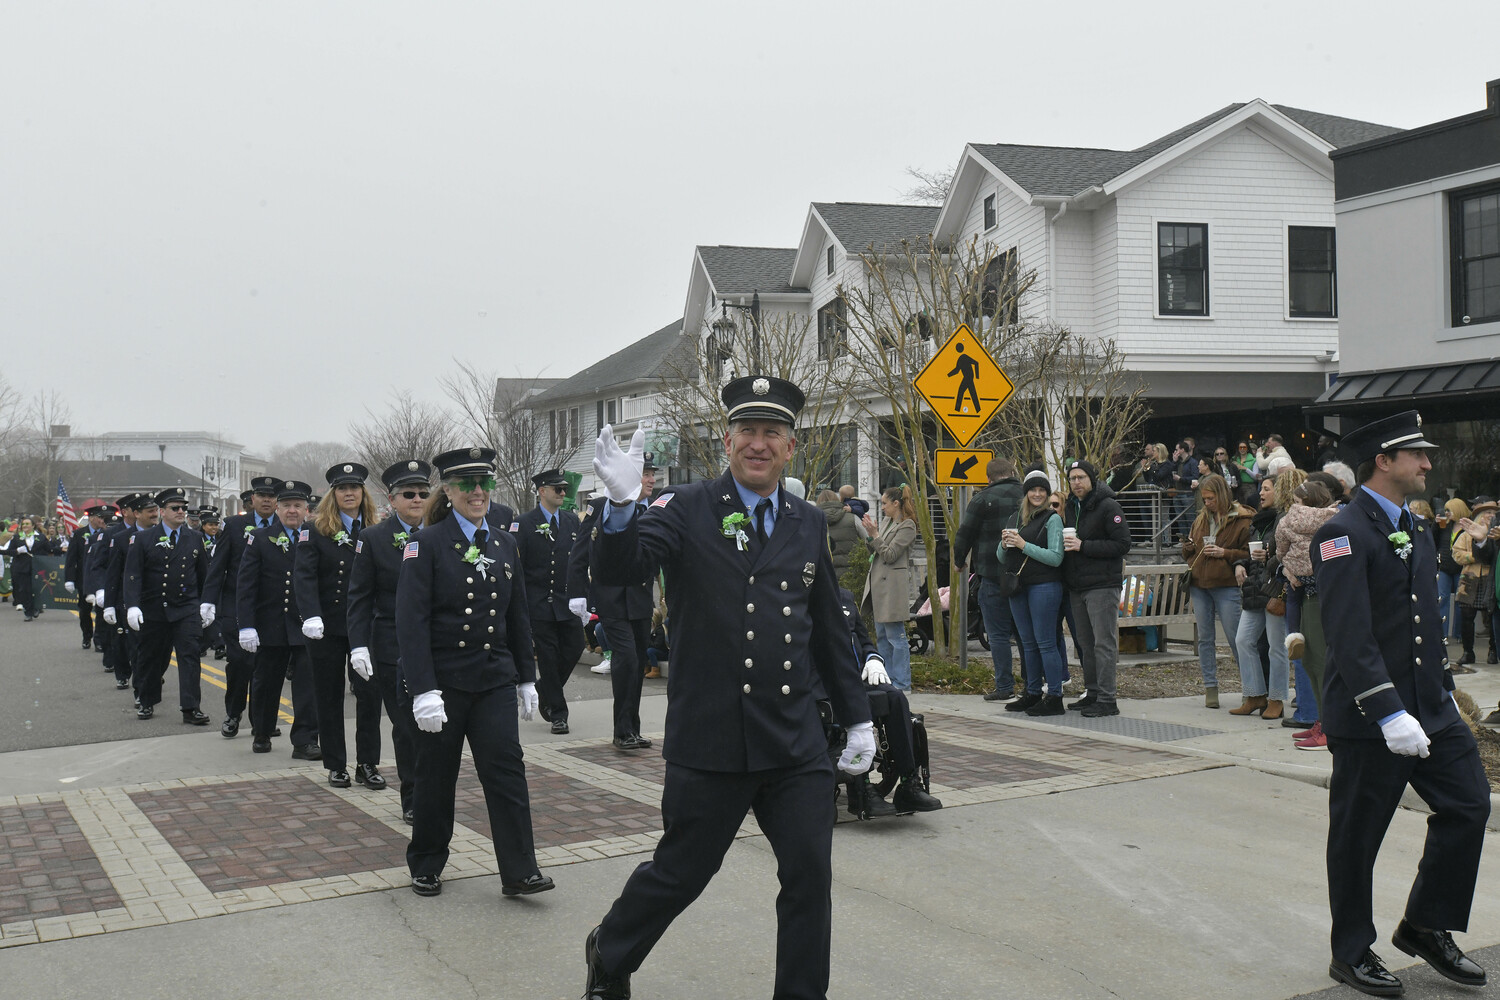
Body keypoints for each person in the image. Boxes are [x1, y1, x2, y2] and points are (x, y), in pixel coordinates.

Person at [582, 376, 874, 1000]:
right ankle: (611, 949)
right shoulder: (686, 507)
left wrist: (859, 717)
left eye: (772, 433)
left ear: (791, 446)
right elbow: (622, 572)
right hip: (711, 738)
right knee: (683, 872)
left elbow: (826, 624)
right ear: (727, 440)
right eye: (748, 431)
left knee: (808, 876)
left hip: (793, 741)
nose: (759, 444)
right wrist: (620, 509)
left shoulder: (806, 521)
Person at [1311, 410, 1489, 996]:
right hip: (1372, 715)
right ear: (1384, 461)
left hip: (1430, 706)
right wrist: (1387, 711)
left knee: (1469, 805)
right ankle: (1352, 952)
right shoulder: (1341, 532)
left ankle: (1424, 925)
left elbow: (1421, 623)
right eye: (1417, 455)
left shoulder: (1411, 525)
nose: (1428, 464)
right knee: (1358, 836)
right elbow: (1349, 633)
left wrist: (1440, 694)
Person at [396, 446, 553, 900]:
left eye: (484, 483)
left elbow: (516, 615)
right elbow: (411, 623)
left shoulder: (505, 542)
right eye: (467, 484)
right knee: (436, 778)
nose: (478, 492)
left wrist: (526, 676)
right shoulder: (424, 543)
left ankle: (520, 870)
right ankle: (426, 862)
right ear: (448, 490)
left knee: (507, 773)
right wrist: (423, 689)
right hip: (444, 685)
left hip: (493, 680)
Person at [347, 459, 431, 825]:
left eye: (424, 494)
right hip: (391, 647)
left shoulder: (442, 533)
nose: (418, 499)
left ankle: (432, 791)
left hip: (436, 645)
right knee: (408, 726)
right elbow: (359, 597)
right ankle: (413, 799)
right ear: (393, 500)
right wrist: (358, 645)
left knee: (435, 728)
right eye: (409, 494)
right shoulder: (373, 538)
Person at [296, 463, 386, 790]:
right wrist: (311, 615)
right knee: (329, 696)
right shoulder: (316, 529)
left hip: (366, 626)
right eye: (342, 488)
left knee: (370, 696)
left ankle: (368, 763)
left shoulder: (377, 529)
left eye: (355, 488)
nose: (349, 493)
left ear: (364, 493)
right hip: (328, 626)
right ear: (333, 494)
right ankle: (336, 765)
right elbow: (303, 577)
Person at [568, 457, 658, 751]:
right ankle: (622, 731)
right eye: (645, 474)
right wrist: (576, 592)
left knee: (638, 661)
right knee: (627, 658)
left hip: (641, 599)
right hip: (612, 597)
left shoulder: (654, 508)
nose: (651, 480)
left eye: (652, 474)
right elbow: (581, 550)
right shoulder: (602, 506)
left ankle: (633, 726)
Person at [835, 586, 942, 817]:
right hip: (828, 679)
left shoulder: (845, 597)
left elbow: (865, 641)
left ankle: (908, 783)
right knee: (860, 702)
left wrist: (873, 659)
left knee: (895, 698)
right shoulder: (802, 596)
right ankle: (861, 788)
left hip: (858, 676)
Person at [237, 480, 321, 759]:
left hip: (306, 625)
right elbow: (246, 585)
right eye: (286, 506)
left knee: (308, 686)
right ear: (277, 508)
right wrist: (246, 625)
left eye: (297, 505)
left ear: (307, 509)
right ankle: (262, 731)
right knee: (266, 683)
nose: (292, 511)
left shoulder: (317, 536)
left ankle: (305, 740)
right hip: (270, 624)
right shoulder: (260, 538)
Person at [123, 487, 211, 723]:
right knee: (151, 657)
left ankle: (191, 707)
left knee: (190, 656)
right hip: (154, 607)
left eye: (183, 507)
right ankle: (147, 700)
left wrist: (207, 604)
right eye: (175, 508)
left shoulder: (195, 537)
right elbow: (133, 574)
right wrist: (132, 605)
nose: (181, 512)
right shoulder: (143, 538)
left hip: (186, 607)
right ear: (162, 511)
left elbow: (204, 574)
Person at [204, 479, 279, 737]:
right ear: (252, 499)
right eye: (262, 495)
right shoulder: (234, 526)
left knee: (264, 667)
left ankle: (261, 720)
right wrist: (208, 601)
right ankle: (233, 713)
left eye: (271, 496)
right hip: (235, 605)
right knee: (239, 663)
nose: (267, 500)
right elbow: (218, 565)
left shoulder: (284, 527)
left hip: (269, 608)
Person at [515, 468, 584, 734]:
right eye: (557, 489)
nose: (563, 493)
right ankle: (558, 713)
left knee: (575, 647)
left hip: (567, 602)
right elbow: (517, 567)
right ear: (542, 492)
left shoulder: (571, 521)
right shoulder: (523, 523)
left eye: (564, 489)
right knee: (547, 655)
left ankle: (544, 688)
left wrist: (584, 597)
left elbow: (578, 562)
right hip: (539, 603)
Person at [1060, 460, 1131, 718]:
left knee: (1104, 643)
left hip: (1102, 584)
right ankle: (1092, 692)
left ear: (1092, 479)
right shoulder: (1071, 506)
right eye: (1072, 478)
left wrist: (1084, 546)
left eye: (1081, 477)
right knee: (1085, 643)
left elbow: (1123, 543)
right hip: (1077, 585)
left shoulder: (1108, 505)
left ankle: (1107, 698)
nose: (1076, 482)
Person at [952, 457, 1024, 701]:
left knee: (998, 634)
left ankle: (1005, 686)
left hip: (992, 575)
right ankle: (1032, 684)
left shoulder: (981, 499)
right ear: (1012, 471)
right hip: (1024, 574)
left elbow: (965, 533)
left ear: (988, 477)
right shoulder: (1029, 495)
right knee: (1025, 633)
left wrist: (959, 560)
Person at [998, 470, 1067, 715]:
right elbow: (1000, 557)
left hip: (1044, 586)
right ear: (1025, 493)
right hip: (1018, 587)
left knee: (1046, 643)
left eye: (1042, 490)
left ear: (1047, 495)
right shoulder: (1016, 518)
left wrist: (1023, 545)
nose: (1037, 494)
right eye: (1033, 490)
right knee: (1027, 643)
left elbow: (1056, 558)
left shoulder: (1053, 519)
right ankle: (1033, 692)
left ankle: (1055, 696)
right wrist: (1004, 542)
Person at [1181, 473, 1252, 709]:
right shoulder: (1201, 519)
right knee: (1205, 638)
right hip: (1200, 583)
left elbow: (1249, 553)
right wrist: (1188, 548)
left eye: (1211, 498)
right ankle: (1210, 687)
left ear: (1221, 495)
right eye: (1204, 499)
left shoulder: (1241, 519)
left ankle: (1250, 689)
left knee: (1236, 638)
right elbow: (1190, 552)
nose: (1207, 503)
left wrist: (1225, 553)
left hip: (1225, 584)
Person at [1229, 475, 1289, 719]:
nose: (1261, 493)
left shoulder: (1283, 519)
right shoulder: (1257, 521)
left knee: (1277, 647)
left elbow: (1283, 554)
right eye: (1260, 489)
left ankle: (1276, 698)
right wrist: (1239, 564)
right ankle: (1254, 695)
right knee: (1243, 640)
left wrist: (1268, 558)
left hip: (1274, 588)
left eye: (1266, 489)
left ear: (1279, 492)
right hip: (1254, 588)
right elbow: (1248, 551)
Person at [860, 486, 919, 693]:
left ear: (896, 503)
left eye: (885, 503)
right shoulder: (886, 522)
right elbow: (876, 550)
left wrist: (875, 535)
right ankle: (887, 681)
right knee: (882, 636)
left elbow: (890, 554)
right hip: (878, 584)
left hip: (892, 587)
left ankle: (902, 684)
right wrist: (870, 535)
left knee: (896, 637)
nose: (882, 507)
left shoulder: (907, 526)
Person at [95, 495, 141, 690]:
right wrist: (100, 591)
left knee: (144, 641)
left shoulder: (151, 532)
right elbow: (101, 565)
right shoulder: (113, 534)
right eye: (135, 508)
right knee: (122, 638)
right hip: (121, 591)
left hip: (144, 592)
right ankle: (122, 672)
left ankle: (145, 674)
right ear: (126, 512)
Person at [1453, 499, 1498, 665]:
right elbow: (1456, 554)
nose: (1490, 516)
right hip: (1469, 580)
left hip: (1489, 579)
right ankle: (1467, 652)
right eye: (1487, 512)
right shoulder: (1466, 535)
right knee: (1466, 616)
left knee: (1492, 617)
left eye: (1494, 513)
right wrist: (1473, 557)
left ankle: (1493, 651)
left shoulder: (1496, 535)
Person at [64, 506, 105, 649]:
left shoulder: (107, 533)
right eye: (100, 517)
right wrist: (69, 579)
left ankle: (99, 640)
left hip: (101, 578)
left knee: (101, 610)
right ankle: (87, 636)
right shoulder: (79, 534)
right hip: (83, 578)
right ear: (92, 518)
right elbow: (71, 558)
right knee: (85, 610)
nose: (102, 520)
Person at [1, 516, 56, 620]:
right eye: (23, 524)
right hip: (21, 568)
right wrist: (17, 551)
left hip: (37, 568)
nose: (25, 526)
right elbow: (8, 552)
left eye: (27, 524)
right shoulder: (17, 537)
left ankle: (36, 607)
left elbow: (49, 549)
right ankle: (28, 612)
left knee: (36, 589)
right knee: (24, 590)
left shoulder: (40, 537)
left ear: (33, 525)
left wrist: (62, 549)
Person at [1435, 498, 1470, 642]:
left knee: (1460, 601)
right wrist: (1436, 526)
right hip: (1444, 566)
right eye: (1446, 510)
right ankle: (1442, 635)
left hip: (1461, 567)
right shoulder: (1444, 525)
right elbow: (1433, 540)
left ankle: (1460, 634)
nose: (1447, 513)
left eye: (1449, 510)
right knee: (1441, 599)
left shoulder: (1466, 526)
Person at [817, 489, 863, 578]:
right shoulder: (853, 518)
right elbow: (866, 541)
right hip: (852, 575)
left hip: (825, 576)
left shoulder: (812, 521)